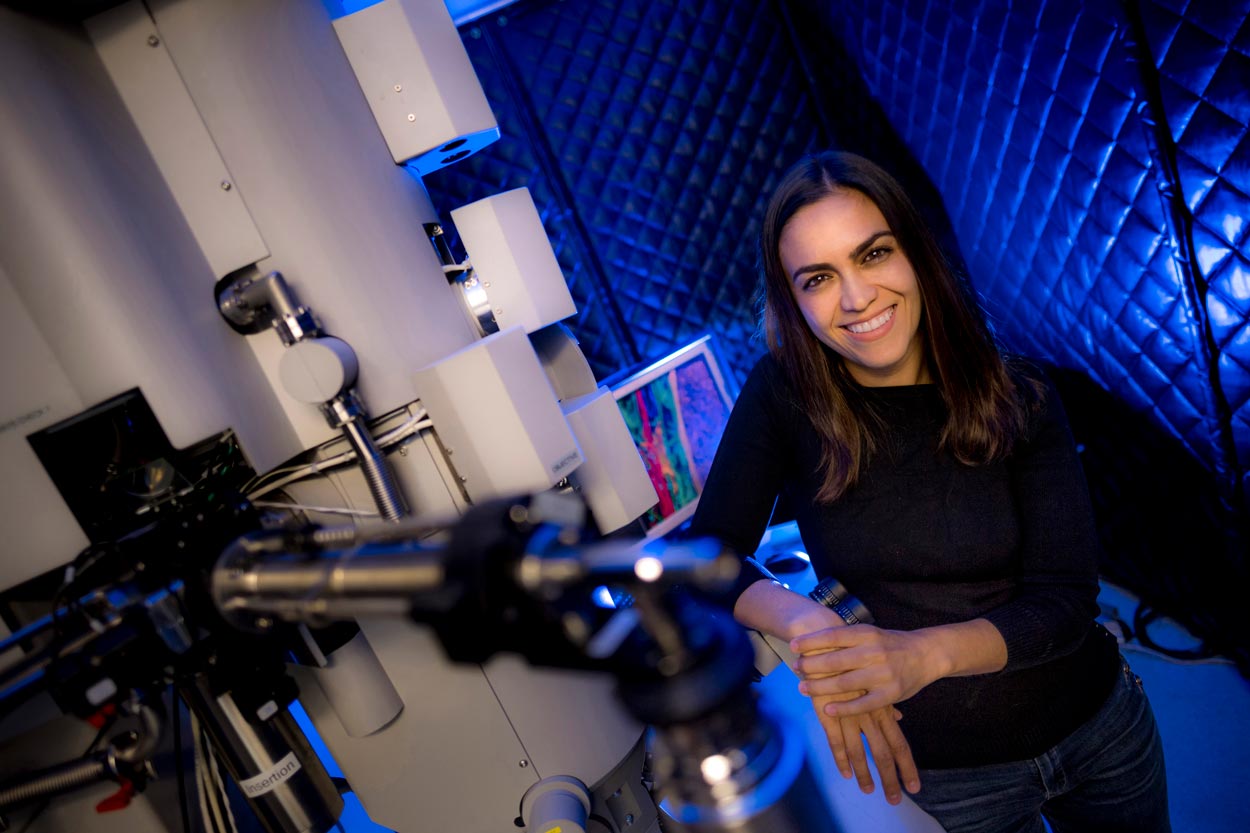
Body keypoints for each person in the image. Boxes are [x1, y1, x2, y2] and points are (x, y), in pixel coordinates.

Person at [688, 150, 1170, 832]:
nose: (856, 298)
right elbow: (705, 557)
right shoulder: (782, 397)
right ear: (792, 298)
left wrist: (921, 655)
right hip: (945, 774)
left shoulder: (1021, 392)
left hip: (1099, 730)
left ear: (914, 251)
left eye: (874, 253)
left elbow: (1065, 600)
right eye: (819, 277)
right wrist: (811, 624)